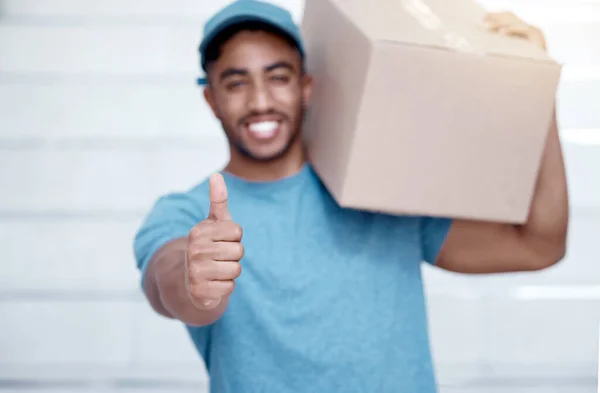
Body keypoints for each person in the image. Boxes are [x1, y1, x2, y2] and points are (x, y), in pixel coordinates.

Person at [133, 1, 569, 392]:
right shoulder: (188, 214)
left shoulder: (380, 191)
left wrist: (538, 91)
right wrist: (194, 280)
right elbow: (167, 285)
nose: (261, 101)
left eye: (278, 77)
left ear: (306, 87)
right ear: (211, 99)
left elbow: (538, 244)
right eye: (236, 83)